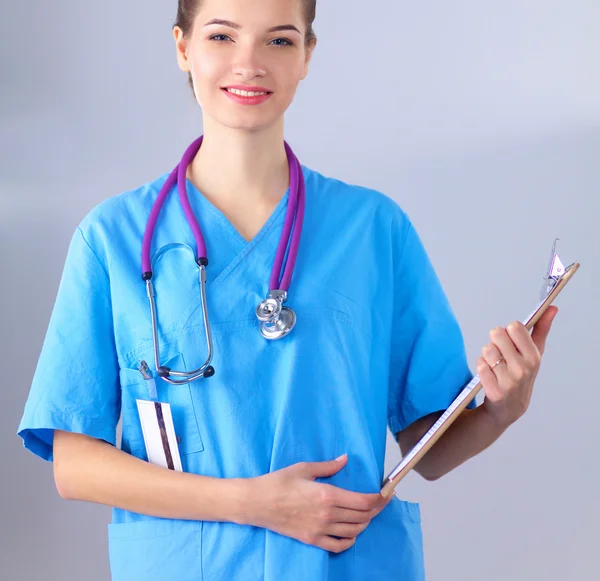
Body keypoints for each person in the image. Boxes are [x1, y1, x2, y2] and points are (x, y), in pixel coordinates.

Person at [16, 0, 559, 579]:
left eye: (278, 41)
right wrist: (255, 504)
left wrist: (503, 410)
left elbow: (431, 447)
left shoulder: (373, 230)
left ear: (307, 55)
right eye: (222, 36)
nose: (249, 64)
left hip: (343, 564)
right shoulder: (113, 239)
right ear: (183, 48)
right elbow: (73, 465)